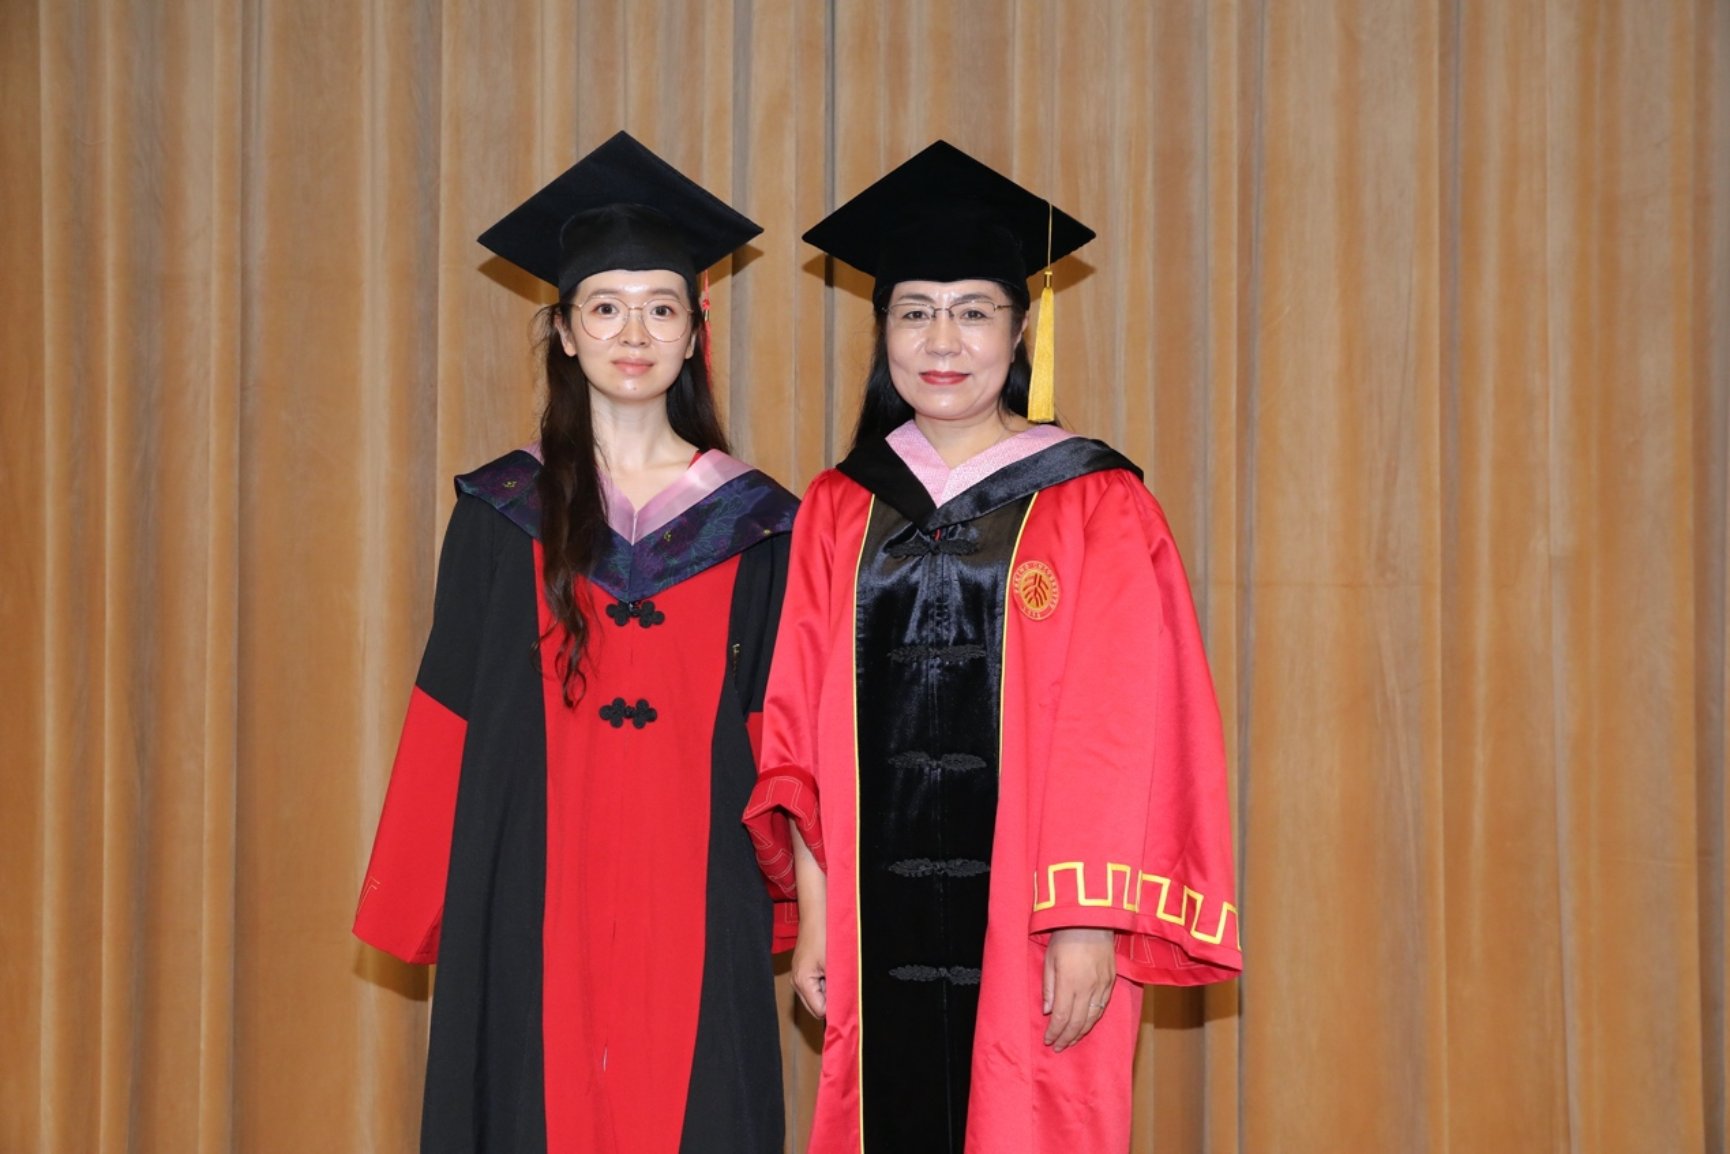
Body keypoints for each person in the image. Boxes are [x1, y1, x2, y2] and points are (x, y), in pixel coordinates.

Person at [743, 141, 1242, 1154]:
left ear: (1018, 332)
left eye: (972, 311)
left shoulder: (1094, 501)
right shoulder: (840, 505)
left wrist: (1086, 920)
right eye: (914, 311)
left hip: (1035, 920)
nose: (942, 340)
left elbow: (1121, 724)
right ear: (882, 332)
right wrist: (819, 911)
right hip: (874, 920)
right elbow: (796, 720)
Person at [354, 131, 795, 1154]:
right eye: (604, 307)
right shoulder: (499, 513)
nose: (633, 332)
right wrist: (426, 897)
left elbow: (778, 733)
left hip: (699, 883)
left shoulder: (759, 525)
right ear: (562, 330)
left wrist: (798, 899)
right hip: (527, 879)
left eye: (661, 308)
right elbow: (449, 712)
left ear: (694, 332)